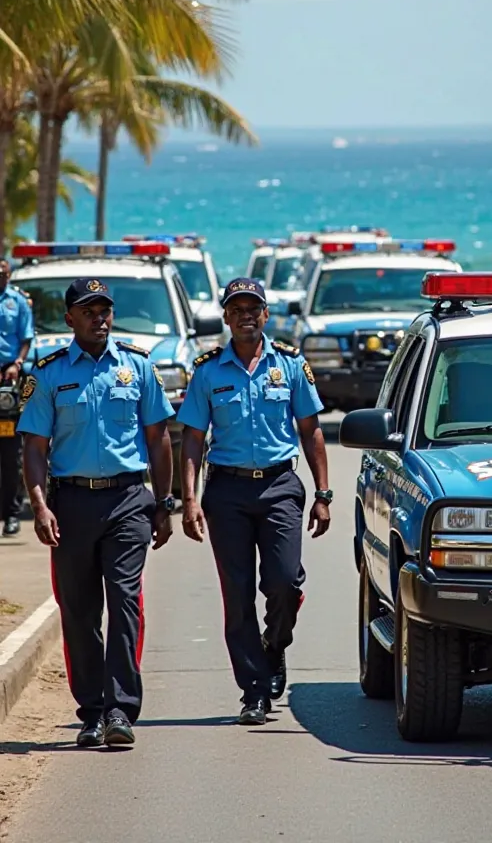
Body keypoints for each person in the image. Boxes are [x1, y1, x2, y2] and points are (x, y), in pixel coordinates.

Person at [18, 277, 176, 749]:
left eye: (104, 308)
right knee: (80, 612)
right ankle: (91, 710)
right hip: (71, 504)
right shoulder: (47, 374)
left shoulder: (138, 366)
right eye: (88, 310)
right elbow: (34, 447)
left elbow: (158, 438)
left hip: (129, 499)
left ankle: (121, 710)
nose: (99, 317)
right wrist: (40, 506)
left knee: (125, 603)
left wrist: (164, 503)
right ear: (70, 319)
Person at [179, 277, 332, 726]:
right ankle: (254, 690)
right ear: (226, 317)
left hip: (281, 486)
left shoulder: (290, 365)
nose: (246, 315)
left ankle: (274, 646)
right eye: (237, 308)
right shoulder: (207, 371)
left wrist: (323, 495)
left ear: (266, 315)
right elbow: (191, 438)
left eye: (254, 308)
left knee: (285, 582)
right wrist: (188, 500)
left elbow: (311, 430)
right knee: (237, 593)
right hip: (226, 491)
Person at [0, 258, 34, 536]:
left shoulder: (17, 302)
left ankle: (11, 514)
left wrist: (16, 364)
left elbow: (26, 338)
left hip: (8, 378)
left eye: (3, 271)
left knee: (10, 452)